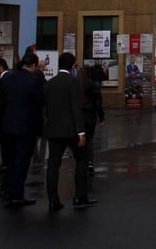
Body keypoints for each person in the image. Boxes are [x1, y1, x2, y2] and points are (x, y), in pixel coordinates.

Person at [44, 52, 96, 211]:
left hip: (53, 130)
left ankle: (53, 200)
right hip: (71, 130)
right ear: (73, 65)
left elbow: (46, 107)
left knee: (53, 164)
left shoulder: (49, 83)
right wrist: (81, 132)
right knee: (82, 160)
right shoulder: (72, 82)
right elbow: (76, 108)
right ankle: (80, 197)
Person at [0, 52, 44, 206]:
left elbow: (1, 99)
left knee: (11, 160)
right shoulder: (34, 80)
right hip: (27, 126)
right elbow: (41, 100)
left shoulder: (8, 78)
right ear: (33, 66)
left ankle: (8, 190)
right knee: (22, 161)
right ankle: (17, 194)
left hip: (9, 124)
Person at [78, 64, 105, 175]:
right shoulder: (93, 85)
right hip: (90, 116)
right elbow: (98, 103)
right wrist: (101, 117)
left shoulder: (76, 84)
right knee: (89, 140)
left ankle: (81, 162)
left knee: (80, 139)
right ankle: (89, 162)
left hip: (78, 116)